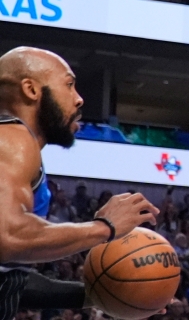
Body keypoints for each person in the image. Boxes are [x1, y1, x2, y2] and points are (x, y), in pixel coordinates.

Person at [0, 46, 160, 319]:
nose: (79, 99)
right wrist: (104, 227)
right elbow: (7, 236)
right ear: (31, 89)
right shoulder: (13, 138)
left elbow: (10, 281)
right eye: (69, 85)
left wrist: (112, 293)